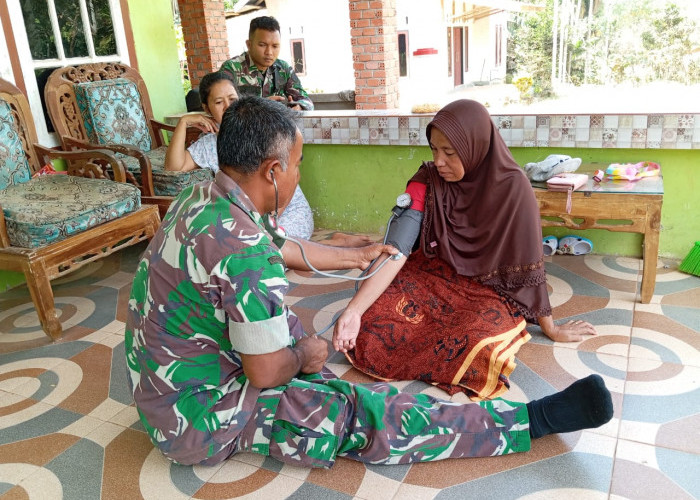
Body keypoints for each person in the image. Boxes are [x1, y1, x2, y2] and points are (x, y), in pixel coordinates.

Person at [125, 96, 613, 468]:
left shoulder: (205, 197)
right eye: (298, 165)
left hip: (164, 384)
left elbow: (283, 247)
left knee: (293, 327)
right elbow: (265, 372)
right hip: (197, 420)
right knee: (355, 411)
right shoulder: (242, 249)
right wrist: (303, 358)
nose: (298, 174)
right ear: (273, 171)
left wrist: (353, 256)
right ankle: (534, 421)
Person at [332, 99, 598, 400]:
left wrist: (550, 327)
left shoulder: (514, 189)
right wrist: (353, 312)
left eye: (449, 152)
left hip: (486, 291)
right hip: (432, 279)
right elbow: (396, 249)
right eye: (434, 150)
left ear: (476, 146)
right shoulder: (427, 181)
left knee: (477, 343)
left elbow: (530, 265)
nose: (439, 161)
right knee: (370, 318)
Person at [163, 71, 352, 242]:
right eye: (219, 102)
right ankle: (329, 243)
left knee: (263, 251)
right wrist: (184, 122)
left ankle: (332, 243)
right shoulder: (209, 144)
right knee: (242, 251)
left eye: (232, 99)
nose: (228, 106)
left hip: (285, 210)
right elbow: (174, 166)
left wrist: (267, 224)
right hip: (250, 218)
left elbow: (285, 184)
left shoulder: (259, 131)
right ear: (207, 108)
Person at [220, 16, 314, 111]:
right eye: (262, 45)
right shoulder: (231, 68)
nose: (269, 52)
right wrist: (260, 106)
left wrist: (299, 107)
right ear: (249, 45)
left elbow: (306, 101)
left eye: (275, 46)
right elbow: (222, 108)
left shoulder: (283, 69)